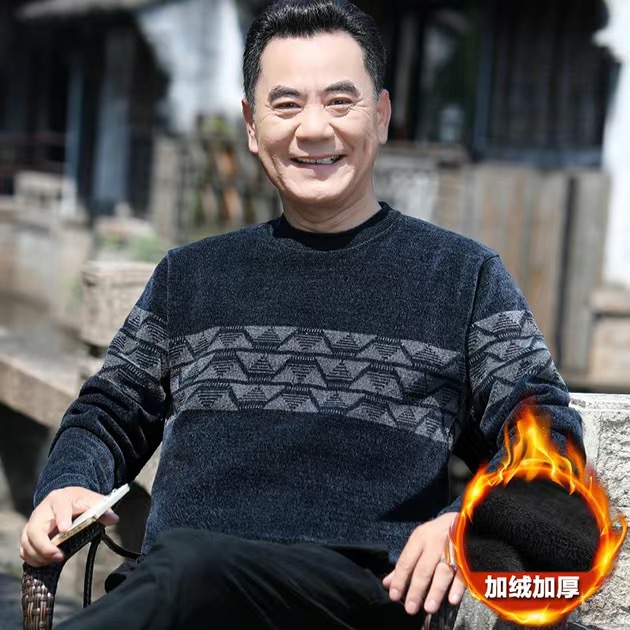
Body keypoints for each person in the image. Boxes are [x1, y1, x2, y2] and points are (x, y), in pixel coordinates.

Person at [20, 0, 586, 628]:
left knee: (192, 566)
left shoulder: (461, 277)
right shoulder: (191, 275)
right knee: (188, 570)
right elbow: (109, 413)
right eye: (286, 105)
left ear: (382, 116)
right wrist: (67, 484)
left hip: (352, 599)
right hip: (183, 594)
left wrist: (466, 522)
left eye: (340, 102)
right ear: (251, 125)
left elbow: (547, 435)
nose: (313, 129)